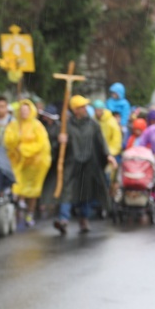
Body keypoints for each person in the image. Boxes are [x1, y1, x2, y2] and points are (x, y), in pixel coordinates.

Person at [54, 95, 118, 234]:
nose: (85, 109)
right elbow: (56, 146)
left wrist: (108, 156)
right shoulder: (66, 126)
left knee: (85, 191)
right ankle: (63, 219)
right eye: (82, 107)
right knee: (67, 191)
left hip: (89, 163)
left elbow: (101, 142)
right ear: (75, 110)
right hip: (71, 163)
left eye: (85, 106)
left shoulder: (93, 124)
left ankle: (84, 218)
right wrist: (60, 140)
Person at [3, 99, 52, 227]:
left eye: (26, 110)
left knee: (33, 192)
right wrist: (16, 140)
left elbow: (41, 144)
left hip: (34, 164)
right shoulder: (13, 125)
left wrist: (24, 148)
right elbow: (8, 141)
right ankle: (15, 212)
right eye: (22, 110)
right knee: (17, 188)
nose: (24, 112)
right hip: (18, 163)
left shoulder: (37, 126)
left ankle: (30, 213)